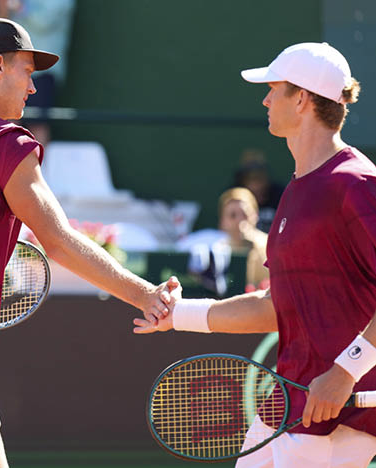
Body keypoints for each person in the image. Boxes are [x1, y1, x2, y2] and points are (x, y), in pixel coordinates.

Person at [0, 17, 180, 468]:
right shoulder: (7, 144)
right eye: (26, 71)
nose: (33, 88)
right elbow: (58, 241)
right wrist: (144, 294)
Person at [134, 42, 376, 467]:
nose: (265, 99)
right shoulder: (297, 190)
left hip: (341, 414)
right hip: (288, 403)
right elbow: (276, 306)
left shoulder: (356, 183)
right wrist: (180, 316)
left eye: (274, 89)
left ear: (301, 99)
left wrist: (344, 373)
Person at [0, 0, 76, 148]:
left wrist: (16, 5)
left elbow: (44, 22)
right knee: (9, 119)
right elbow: (2, 26)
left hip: (43, 70)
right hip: (13, 69)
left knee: (38, 123)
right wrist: (3, 7)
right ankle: (8, 168)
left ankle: (37, 169)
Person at [233, 148, 284, 233]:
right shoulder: (234, 198)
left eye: (259, 178)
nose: (256, 184)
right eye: (250, 178)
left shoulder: (280, 195)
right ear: (243, 180)